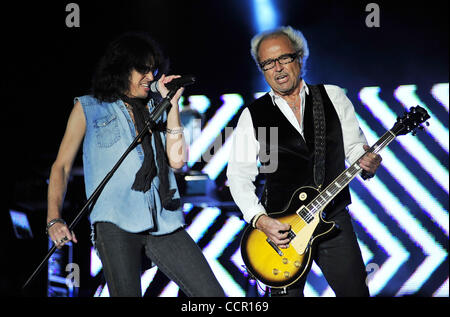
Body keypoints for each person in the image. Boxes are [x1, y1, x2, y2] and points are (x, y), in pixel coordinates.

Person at [46, 32, 224, 297]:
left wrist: (172, 105)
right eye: (142, 69)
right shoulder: (89, 108)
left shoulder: (157, 107)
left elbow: (176, 161)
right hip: (115, 222)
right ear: (121, 69)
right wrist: (53, 219)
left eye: (152, 70)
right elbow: (60, 166)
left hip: (164, 221)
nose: (150, 77)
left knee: (212, 296)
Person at [227, 26, 382, 297]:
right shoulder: (252, 115)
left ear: (300, 58)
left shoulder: (333, 97)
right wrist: (260, 220)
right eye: (268, 63)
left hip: (333, 217)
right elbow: (239, 177)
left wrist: (367, 162)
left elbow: (356, 148)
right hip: (281, 230)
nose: (277, 68)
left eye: (284, 58)